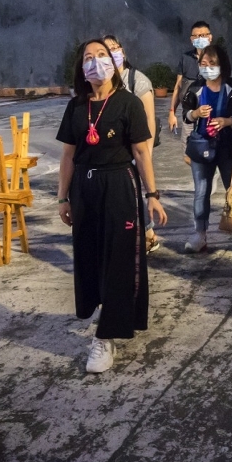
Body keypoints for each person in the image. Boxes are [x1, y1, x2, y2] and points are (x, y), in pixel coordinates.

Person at [57, 40, 168, 374]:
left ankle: (105, 337)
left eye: (102, 56)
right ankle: (104, 311)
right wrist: (62, 197)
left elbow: (141, 152)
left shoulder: (128, 103)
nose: (96, 62)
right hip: (84, 190)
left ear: (114, 63)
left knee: (119, 258)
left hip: (119, 186)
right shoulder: (76, 106)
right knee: (90, 257)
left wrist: (152, 194)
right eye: (88, 58)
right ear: (81, 69)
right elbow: (67, 156)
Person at [103, 34, 164, 253]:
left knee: (135, 192)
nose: (112, 53)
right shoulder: (104, 82)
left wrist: (146, 153)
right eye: (106, 50)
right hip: (115, 151)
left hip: (137, 149)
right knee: (124, 194)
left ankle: (146, 234)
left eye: (115, 48)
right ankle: (146, 234)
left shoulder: (138, 80)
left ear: (123, 51)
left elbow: (149, 121)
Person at [180, 43, 232, 252]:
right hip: (201, 146)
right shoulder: (195, 88)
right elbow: (185, 116)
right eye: (203, 63)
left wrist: (227, 121)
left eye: (212, 63)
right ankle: (200, 234)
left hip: (227, 146)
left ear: (221, 65)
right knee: (201, 191)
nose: (207, 67)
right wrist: (196, 113)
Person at [169, 21, 214, 133]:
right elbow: (178, 86)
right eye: (197, 36)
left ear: (210, 37)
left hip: (212, 116)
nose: (200, 38)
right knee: (189, 143)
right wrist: (172, 112)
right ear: (191, 39)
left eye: (203, 35)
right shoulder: (185, 58)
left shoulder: (218, 58)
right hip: (190, 114)